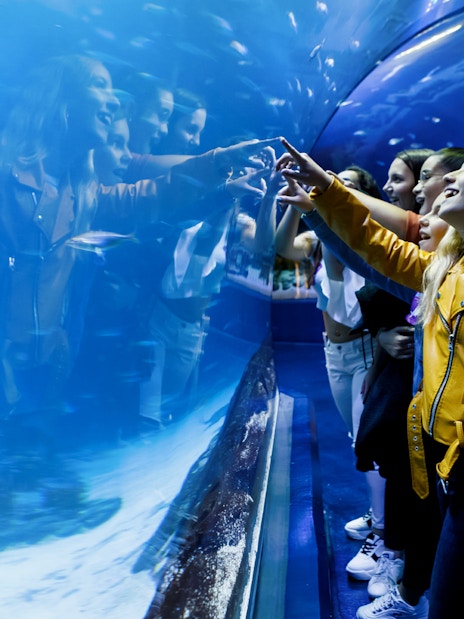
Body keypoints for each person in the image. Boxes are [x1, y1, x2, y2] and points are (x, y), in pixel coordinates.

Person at [0, 51, 278, 525]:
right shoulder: (8, 178)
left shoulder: (82, 189)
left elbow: (150, 193)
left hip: (43, 365)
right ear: (61, 99)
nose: (113, 101)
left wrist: (219, 168)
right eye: (99, 85)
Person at [276, 137, 464, 619]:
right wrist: (321, 195)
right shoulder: (442, 269)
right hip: (443, 455)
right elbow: (375, 250)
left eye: (454, 179)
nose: (447, 185)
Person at [276, 165, 386, 552]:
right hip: (333, 353)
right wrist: (295, 199)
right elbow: (282, 247)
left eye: (347, 185)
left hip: (365, 351)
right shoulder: (318, 240)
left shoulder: (369, 238)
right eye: (329, 180)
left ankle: (385, 533)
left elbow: (350, 313)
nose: (332, 186)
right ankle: (380, 514)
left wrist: (337, 267)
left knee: (367, 442)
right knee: (357, 438)